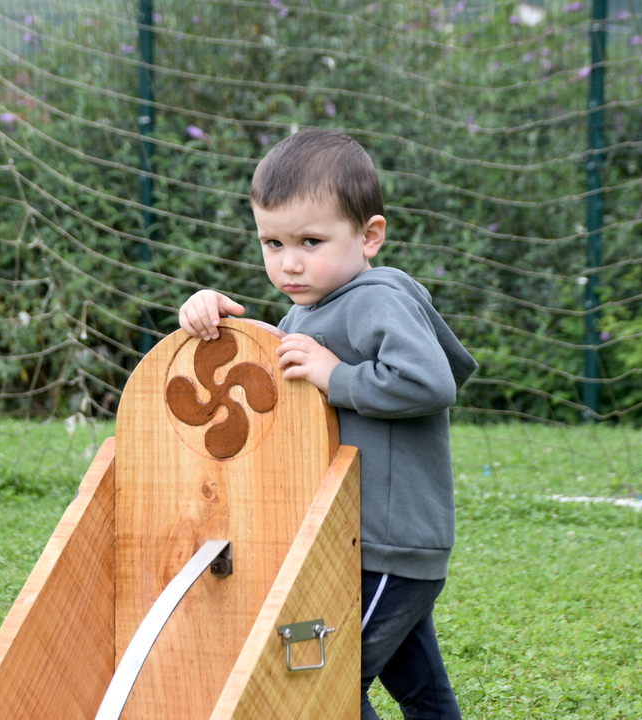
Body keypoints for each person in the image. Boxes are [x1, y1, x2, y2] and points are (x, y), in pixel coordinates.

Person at [178, 128, 477, 720]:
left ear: (369, 236)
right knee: (420, 692)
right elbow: (278, 377)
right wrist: (211, 313)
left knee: (322, 685)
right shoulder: (309, 310)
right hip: (354, 544)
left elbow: (433, 383)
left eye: (310, 241)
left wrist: (336, 376)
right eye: (272, 242)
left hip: (386, 546)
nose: (289, 262)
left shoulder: (376, 299)